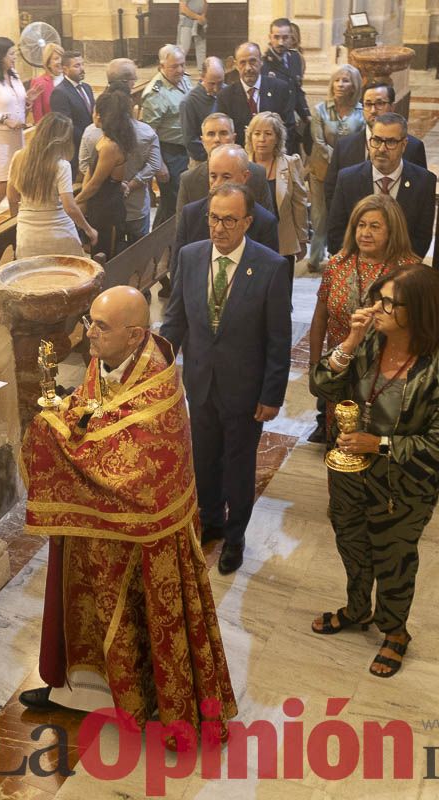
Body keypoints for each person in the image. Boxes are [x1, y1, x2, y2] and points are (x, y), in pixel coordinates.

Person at [18, 286, 237, 747]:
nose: (89, 333)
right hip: (95, 523)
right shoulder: (106, 359)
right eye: (90, 320)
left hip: (144, 539)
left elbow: (135, 463)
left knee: (144, 620)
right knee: (85, 610)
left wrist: (54, 433)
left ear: (135, 334)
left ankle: (158, 703)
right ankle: (79, 694)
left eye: (101, 326)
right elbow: (92, 411)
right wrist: (66, 416)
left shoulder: (157, 384)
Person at [309, 264, 439, 678]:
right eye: (377, 298)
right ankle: (357, 609)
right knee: (352, 544)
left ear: (418, 311)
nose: (377, 308)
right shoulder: (368, 344)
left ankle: (395, 632)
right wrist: (349, 340)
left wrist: (378, 444)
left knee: (393, 560)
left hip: (402, 487)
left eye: (388, 303)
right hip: (349, 474)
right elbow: (322, 387)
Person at [161, 184, 292, 574]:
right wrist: (155, 368)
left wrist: (272, 395)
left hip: (245, 390)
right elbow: (175, 320)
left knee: (238, 467)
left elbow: (278, 340)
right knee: (203, 460)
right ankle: (212, 521)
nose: (219, 228)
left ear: (247, 222)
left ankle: (235, 538)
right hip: (200, 384)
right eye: (214, 218)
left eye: (229, 220)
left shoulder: (270, 267)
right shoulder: (190, 255)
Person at [309, 194, 421, 444]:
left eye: (374, 226)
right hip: (339, 372)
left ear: (392, 231)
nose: (365, 233)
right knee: (340, 443)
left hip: (386, 377)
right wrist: (315, 367)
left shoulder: (409, 272)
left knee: (376, 441)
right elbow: (319, 319)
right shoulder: (338, 264)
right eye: (361, 225)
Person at [327, 113, 437, 258]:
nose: (381, 148)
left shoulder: (424, 182)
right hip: (356, 269)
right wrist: (365, 266)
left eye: (390, 142)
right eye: (377, 140)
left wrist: (395, 269)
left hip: (401, 273)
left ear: (403, 145)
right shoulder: (347, 179)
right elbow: (336, 235)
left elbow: (421, 240)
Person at [78, 75, 162, 247]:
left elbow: (85, 168)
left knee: (108, 254)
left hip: (106, 208)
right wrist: (131, 185)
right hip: (135, 205)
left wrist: (77, 201)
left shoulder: (94, 135)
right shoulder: (145, 131)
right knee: (139, 252)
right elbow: (154, 164)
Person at [174, 144, 281, 274]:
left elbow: (269, 276)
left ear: (245, 177)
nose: (218, 184)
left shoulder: (265, 222)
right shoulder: (190, 215)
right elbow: (177, 272)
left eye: (226, 177)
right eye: (213, 176)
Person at [324, 82, 427, 210]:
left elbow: (421, 192)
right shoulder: (344, 146)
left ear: (392, 107)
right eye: (368, 104)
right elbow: (331, 191)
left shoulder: (413, 147)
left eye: (379, 104)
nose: (373, 110)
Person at [0, 37, 43, 230]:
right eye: (11, 54)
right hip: (0, 135)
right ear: (0, 56)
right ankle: (1, 218)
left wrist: (28, 100)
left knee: (15, 177)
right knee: (5, 179)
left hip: (16, 133)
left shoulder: (13, 74)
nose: (15, 58)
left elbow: (18, 103)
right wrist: (5, 119)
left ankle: (8, 218)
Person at [9, 113, 98, 258]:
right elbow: (69, 207)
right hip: (59, 233)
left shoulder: (18, 157)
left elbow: (12, 197)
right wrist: (89, 230)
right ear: (63, 139)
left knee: (33, 277)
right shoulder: (61, 165)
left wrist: (19, 221)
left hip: (27, 233)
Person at [307, 64, 365, 272]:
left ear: (354, 86)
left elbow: (361, 143)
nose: (340, 84)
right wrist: (339, 160)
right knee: (320, 217)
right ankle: (314, 259)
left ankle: (341, 255)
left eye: (346, 80)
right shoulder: (319, 110)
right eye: (337, 80)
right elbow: (319, 143)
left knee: (344, 215)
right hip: (322, 172)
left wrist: (345, 165)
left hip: (351, 175)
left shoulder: (362, 113)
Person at [245, 111, 309, 288]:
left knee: (281, 293)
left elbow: (299, 204)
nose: (262, 139)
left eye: (268, 134)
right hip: (249, 241)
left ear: (277, 138)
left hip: (283, 242)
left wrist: (302, 239)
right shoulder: (241, 164)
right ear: (250, 137)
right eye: (257, 134)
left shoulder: (290, 164)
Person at [176, 112, 274, 214]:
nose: (217, 139)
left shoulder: (257, 174)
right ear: (203, 141)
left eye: (223, 133)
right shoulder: (188, 180)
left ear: (234, 138)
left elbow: (267, 223)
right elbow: (183, 226)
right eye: (211, 134)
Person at [75, 92, 134, 259]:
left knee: (105, 256)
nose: (92, 114)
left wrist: (76, 201)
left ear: (101, 115)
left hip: (106, 211)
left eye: (95, 111)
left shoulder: (110, 146)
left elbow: (95, 183)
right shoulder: (106, 138)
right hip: (99, 206)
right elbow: (90, 172)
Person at [141, 44, 192, 225]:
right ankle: (162, 244)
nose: (180, 70)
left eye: (182, 65)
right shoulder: (155, 94)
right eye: (174, 66)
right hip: (169, 153)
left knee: (178, 200)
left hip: (185, 150)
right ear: (161, 67)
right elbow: (148, 134)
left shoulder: (183, 79)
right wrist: (159, 164)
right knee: (173, 203)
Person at [214, 42, 296, 153]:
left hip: (274, 158)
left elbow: (289, 128)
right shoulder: (225, 96)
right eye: (242, 63)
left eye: (252, 61)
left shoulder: (280, 89)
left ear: (261, 62)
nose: (248, 68)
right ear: (236, 65)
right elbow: (224, 133)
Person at [262, 18, 309, 154]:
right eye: (276, 37)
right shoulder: (264, 65)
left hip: (291, 126)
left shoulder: (295, 59)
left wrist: (306, 115)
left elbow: (297, 90)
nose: (280, 42)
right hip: (274, 128)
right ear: (270, 37)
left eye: (285, 37)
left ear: (291, 38)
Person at [48, 52, 96, 180]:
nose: (82, 68)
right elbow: (66, 125)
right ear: (65, 69)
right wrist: (88, 138)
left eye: (82, 64)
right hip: (74, 149)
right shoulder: (60, 92)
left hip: (91, 146)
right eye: (77, 66)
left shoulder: (87, 87)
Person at [180, 57, 224, 164]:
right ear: (202, 77)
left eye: (220, 83)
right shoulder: (189, 102)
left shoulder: (227, 92)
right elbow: (190, 141)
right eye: (212, 84)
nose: (216, 89)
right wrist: (215, 153)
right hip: (202, 160)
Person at [29, 42, 65, 123]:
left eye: (62, 57)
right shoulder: (39, 82)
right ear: (48, 63)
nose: (60, 61)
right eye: (56, 58)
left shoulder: (69, 79)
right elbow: (38, 116)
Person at [177, 0, 208, 66]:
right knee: (183, 48)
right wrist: (198, 17)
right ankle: (179, 69)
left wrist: (202, 16)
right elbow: (183, 9)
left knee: (201, 47)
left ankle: (202, 70)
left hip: (199, 23)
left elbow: (205, 3)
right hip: (186, 22)